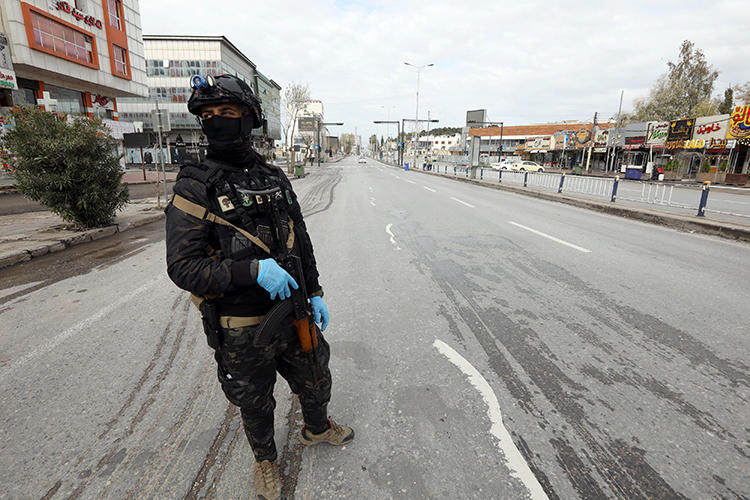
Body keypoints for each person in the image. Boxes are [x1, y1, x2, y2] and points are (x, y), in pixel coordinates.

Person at [165, 74, 353, 500]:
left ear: (249, 119)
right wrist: (251, 272)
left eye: (227, 114)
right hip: (242, 324)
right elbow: (183, 268)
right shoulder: (195, 185)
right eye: (208, 115)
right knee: (255, 401)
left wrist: (316, 289)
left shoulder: (273, 176)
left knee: (316, 376)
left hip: (295, 310)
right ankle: (265, 461)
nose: (217, 122)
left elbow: (299, 238)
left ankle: (317, 429)